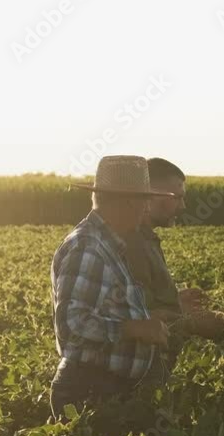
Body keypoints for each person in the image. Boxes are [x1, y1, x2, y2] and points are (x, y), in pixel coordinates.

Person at [48, 155, 177, 420]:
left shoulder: (108, 244)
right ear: (129, 202)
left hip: (104, 386)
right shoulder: (88, 246)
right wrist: (135, 328)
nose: (146, 209)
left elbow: (106, 310)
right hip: (89, 390)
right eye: (145, 201)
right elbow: (72, 324)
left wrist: (149, 319)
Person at [123, 157, 224, 374]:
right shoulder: (132, 243)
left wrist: (175, 300)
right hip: (133, 375)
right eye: (177, 197)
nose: (183, 206)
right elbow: (134, 320)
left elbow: (140, 302)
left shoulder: (147, 239)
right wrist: (194, 323)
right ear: (149, 196)